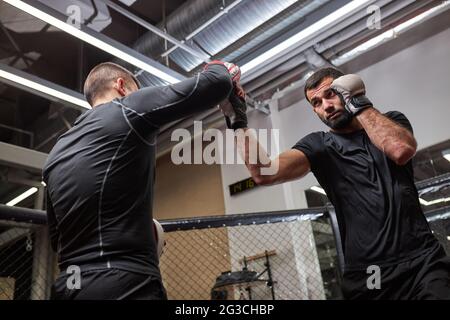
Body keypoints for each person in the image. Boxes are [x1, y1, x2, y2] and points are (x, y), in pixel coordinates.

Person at [224, 67, 450, 300]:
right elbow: (264, 173)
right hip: (370, 273)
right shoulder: (320, 146)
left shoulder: (391, 121)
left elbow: (400, 149)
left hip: (423, 260)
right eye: (317, 102)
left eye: (331, 94)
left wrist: (357, 102)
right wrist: (238, 120)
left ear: (346, 90)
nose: (326, 106)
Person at [43, 60, 239, 300]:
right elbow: (217, 83)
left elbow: (57, 238)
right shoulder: (127, 108)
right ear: (121, 85)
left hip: (68, 285)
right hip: (123, 283)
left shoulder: (55, 153)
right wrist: (221, 66)